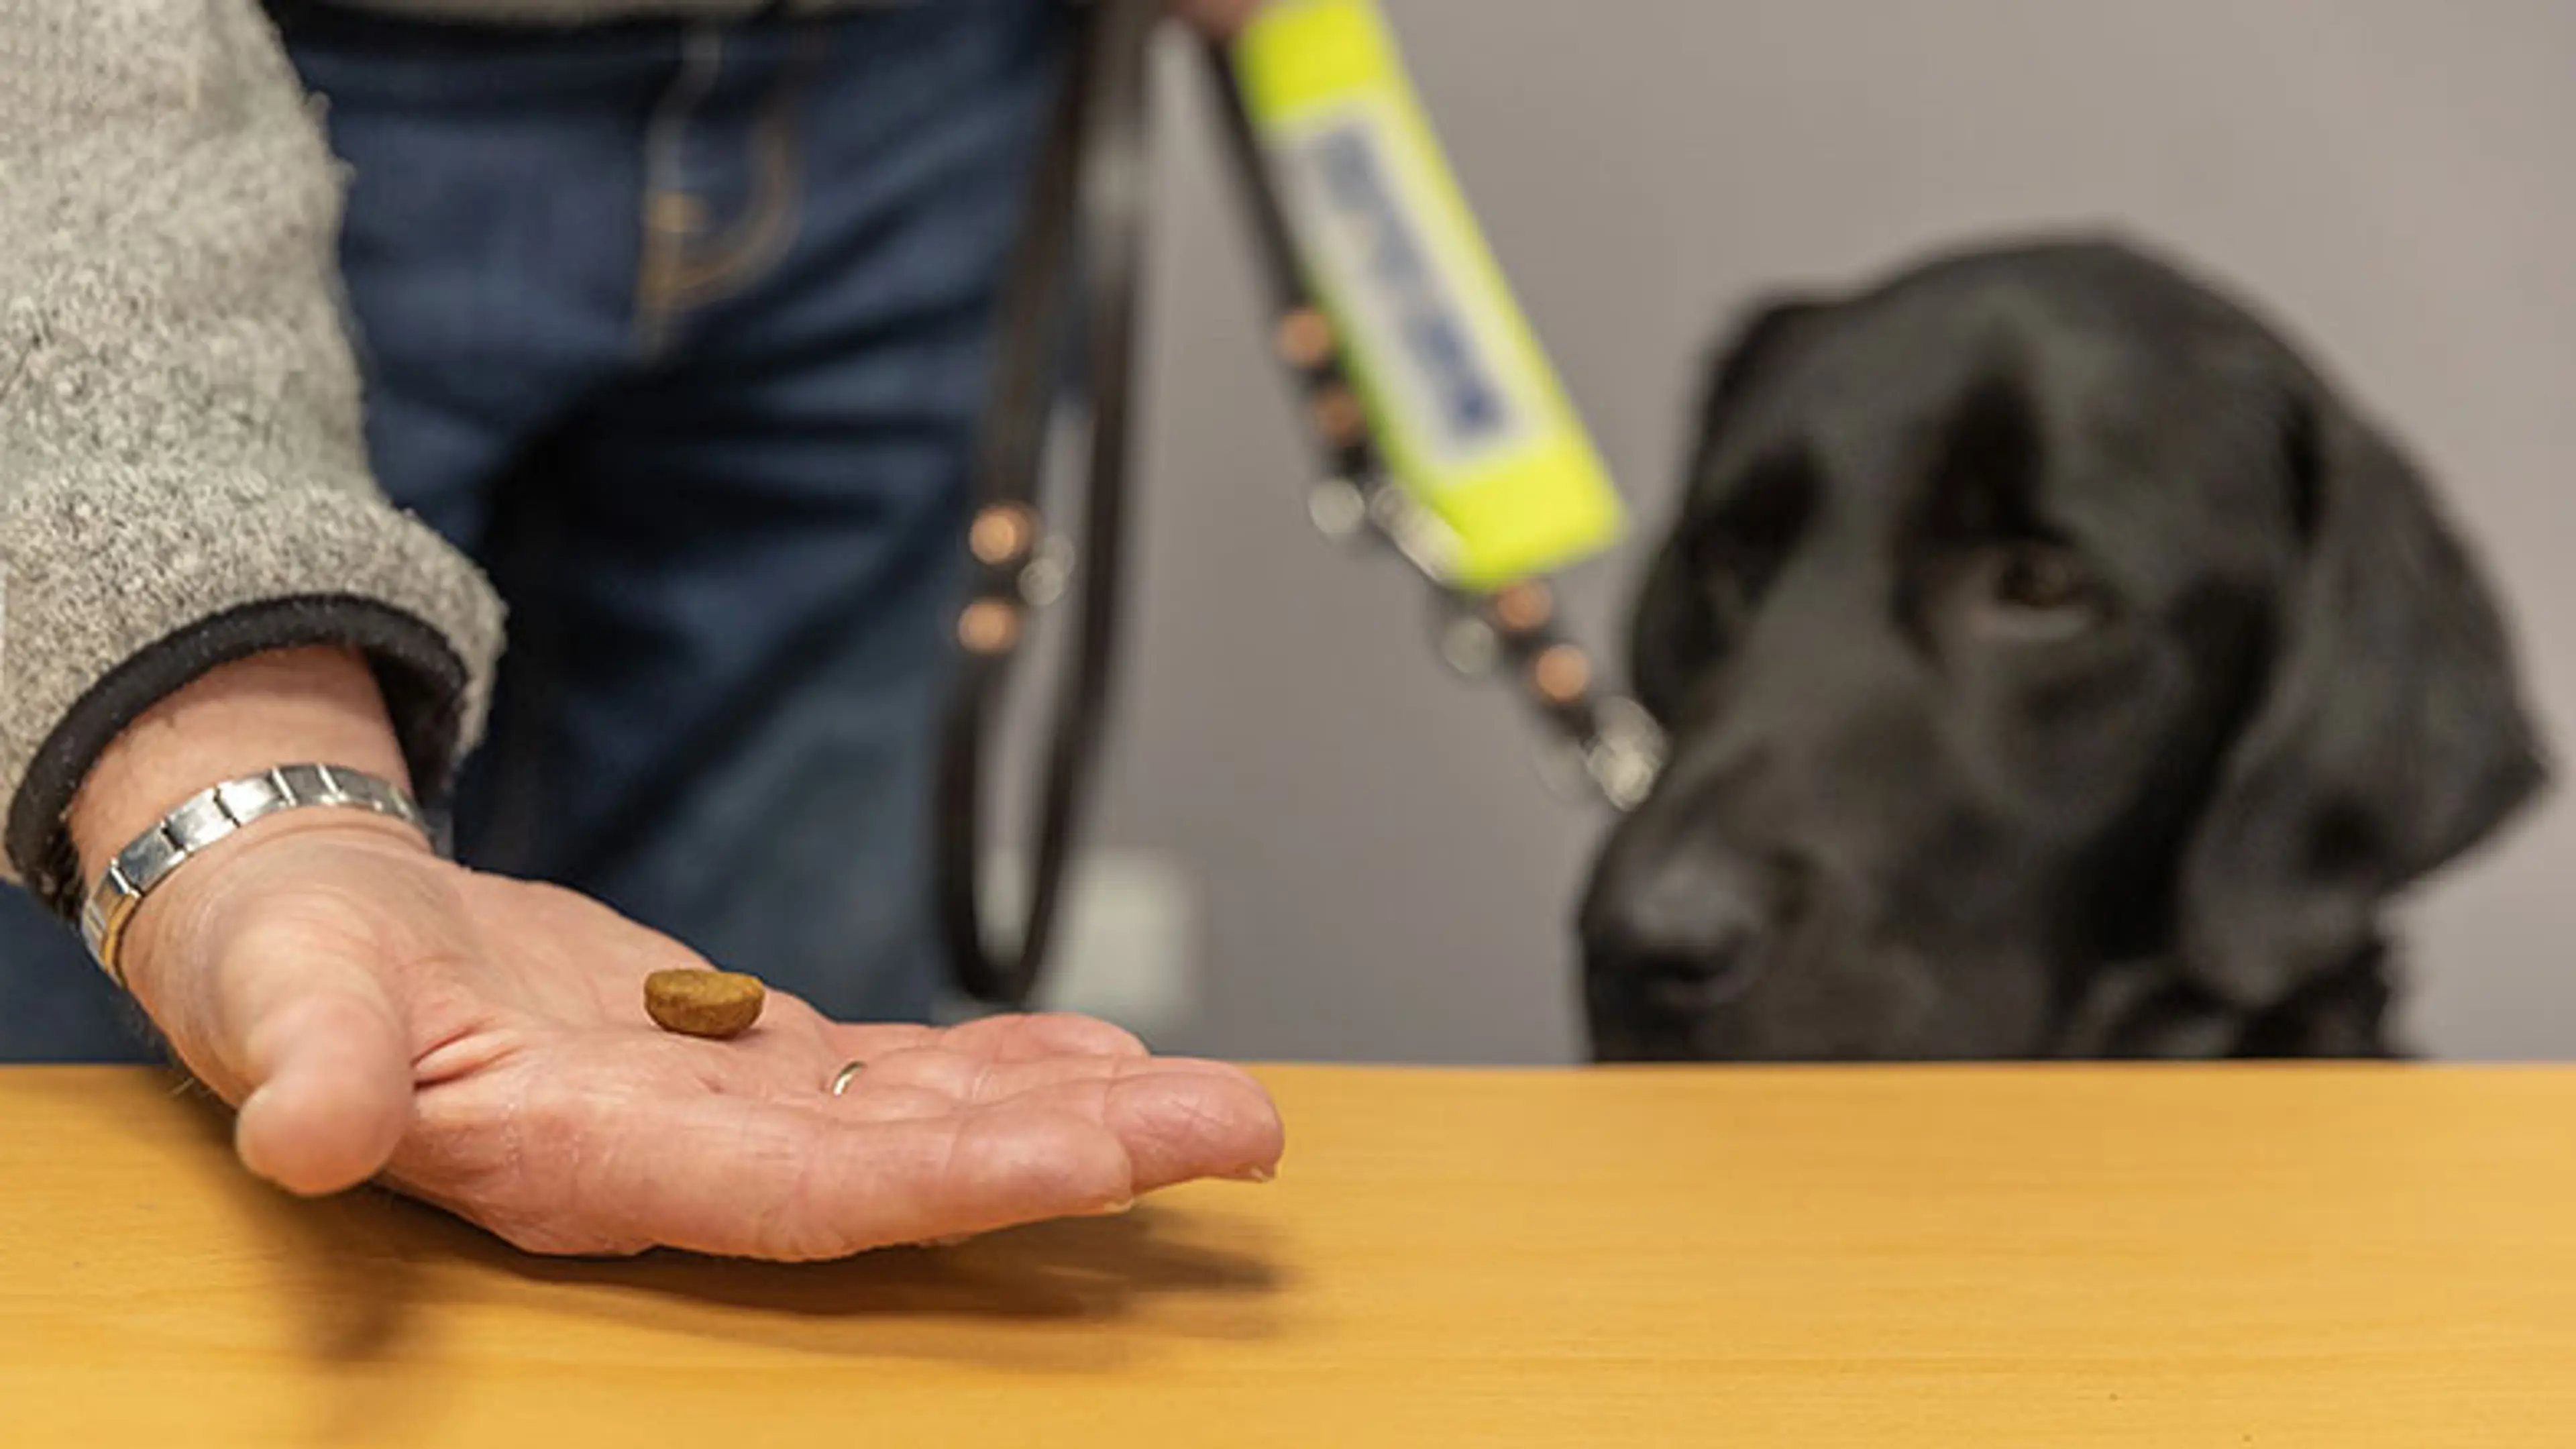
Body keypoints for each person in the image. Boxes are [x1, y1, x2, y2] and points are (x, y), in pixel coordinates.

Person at [0, 0, 1283, 1259]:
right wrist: (221, 753)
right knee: (145, 1194)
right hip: (192, 104)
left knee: (791, 1182)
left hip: (935, 88)